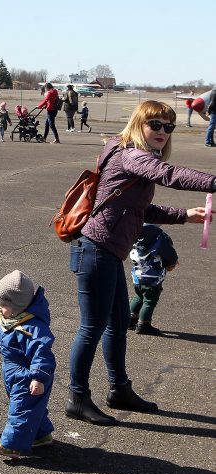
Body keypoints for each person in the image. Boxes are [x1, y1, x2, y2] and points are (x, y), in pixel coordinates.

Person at [65, 100, 216, 426]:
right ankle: (77, 398)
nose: (162, 131)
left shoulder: (132, 154)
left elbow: (138, 211)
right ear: (139, 124)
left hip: (108, 252)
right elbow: (169, 175)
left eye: (168, 126)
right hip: (96, 250)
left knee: (117, 324)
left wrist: (184, 216)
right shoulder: (132, 154)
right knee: (92, 328)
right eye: (155, 124)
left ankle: (119, 389)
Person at [0, 271, 56, 459]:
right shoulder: (9, 321)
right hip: (13, 373)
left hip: (28, 376)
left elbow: (42, 354)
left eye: (3, 305)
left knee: (21, 409)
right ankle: (41, 434)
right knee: (30, 408)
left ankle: (11, 445)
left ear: (18, 305)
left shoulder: (32, 328)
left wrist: (38, 378)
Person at [128, 224, 178, 336]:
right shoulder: (160, 238)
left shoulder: (136, 238)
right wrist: (172, 263)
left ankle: (130, 320)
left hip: (137, 275)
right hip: (153, 278)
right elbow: (170, 255)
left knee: (139, 296)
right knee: (150, 301)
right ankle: (143, 325)